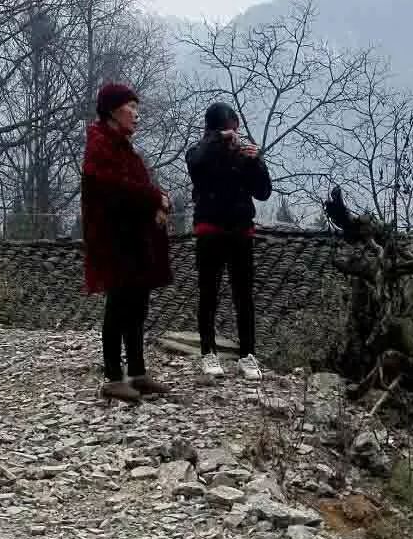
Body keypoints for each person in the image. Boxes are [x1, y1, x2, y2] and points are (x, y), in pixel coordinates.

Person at [81, 82, 172, 403]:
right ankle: (112, 377)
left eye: (137, 108)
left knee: (137, 305)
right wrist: (154, 198)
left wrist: (159, 204)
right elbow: (117, 188)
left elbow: (139, 187)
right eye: (130, 107)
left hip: (134, 239)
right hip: (113, 240)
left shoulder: (125, 147)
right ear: (112, 110)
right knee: (119, 305)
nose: (136, 114)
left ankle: (137, 372)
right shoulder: (100, 145)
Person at [186, 102, 272, 380]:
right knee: (208, 293)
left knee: (244, 296)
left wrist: (256, 161)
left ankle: (248, 355)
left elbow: (263, 192)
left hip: (240, 230)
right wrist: (216, 140)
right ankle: (208, 352)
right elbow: (196, 165)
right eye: (228, 129)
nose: (234, 134)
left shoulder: (243, 156)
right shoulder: (200, 152)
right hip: (210, 229)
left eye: (234, 129)